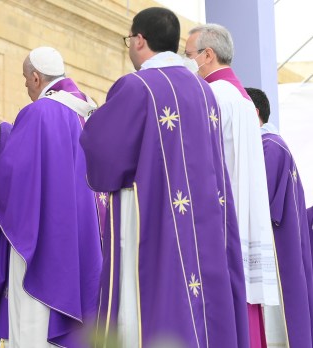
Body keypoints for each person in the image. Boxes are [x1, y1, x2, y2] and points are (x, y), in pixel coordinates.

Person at [80, 8, 248, 347]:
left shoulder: (136, 86)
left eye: (130, 40)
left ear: (140, 40)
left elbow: (103, 150)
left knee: (142, 302)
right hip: (200, 221)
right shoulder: (203, 91)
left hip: (147, 216)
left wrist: (92, 117)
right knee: (192, 301)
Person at [0, 47, 102, 347]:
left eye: (24, 78)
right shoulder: (90, 112)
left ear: (35, 77)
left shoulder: (38, 112)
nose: (24, 85)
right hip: (83, 238)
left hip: (40, 241)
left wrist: (4, 138)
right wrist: (8, 129)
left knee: (34, 322)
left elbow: (11, 175)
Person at [185, 24, 279, 346]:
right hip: (244, 220)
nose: (188, 65)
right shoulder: (240, 98)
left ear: (207, 55)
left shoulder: (211, 96)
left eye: (189, 56)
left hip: (220, 223)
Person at [245, 87, 313, 347]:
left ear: (254, 112)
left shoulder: (269, 147)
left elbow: (259, 205)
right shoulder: (274, 145)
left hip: (277, 251)